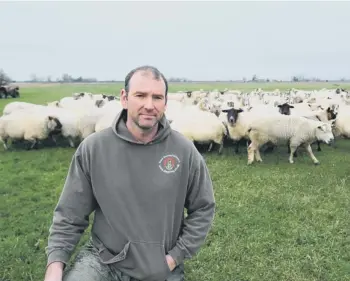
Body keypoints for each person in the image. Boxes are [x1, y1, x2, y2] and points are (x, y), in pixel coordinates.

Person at [43, 65, 216, 281]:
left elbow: (203, 207)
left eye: (157, 97)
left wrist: (174, 257)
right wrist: (55, 266)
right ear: (124, 98)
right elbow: (70, 214)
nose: (149, 105)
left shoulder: (184, 150)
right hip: (103, 259)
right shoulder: (94, 148)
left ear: (165, 102)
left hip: (159, 264)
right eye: (140, 96)